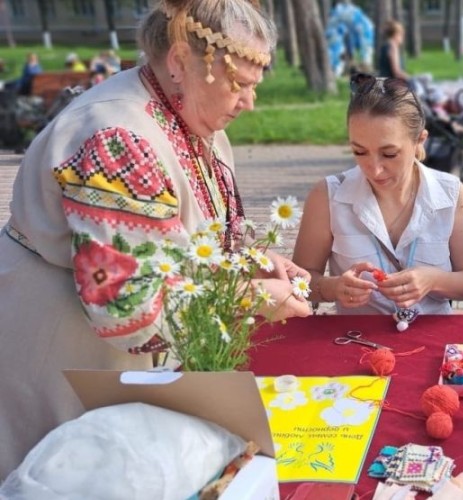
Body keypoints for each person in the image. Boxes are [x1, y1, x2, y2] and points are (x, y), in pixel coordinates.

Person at [0, 0, 313, 478]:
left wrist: (247, 259)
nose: (250, 102)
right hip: (64, 353)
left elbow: (182, 235)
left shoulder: (186, 111)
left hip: (107, 357)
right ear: (182, 60)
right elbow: (127, 311)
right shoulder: (118, 137)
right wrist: (249, 297)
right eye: (240, 84)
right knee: (69, 476)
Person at [291, 72, 463, 315]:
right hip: (356, 341)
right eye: (360, 152)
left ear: (419, 141)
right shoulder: (328, 196)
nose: (375, 168)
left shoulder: (450, 193)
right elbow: (298, 282)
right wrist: (332, 287)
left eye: (389, 154)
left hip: (433, 338)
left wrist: (433, 280)